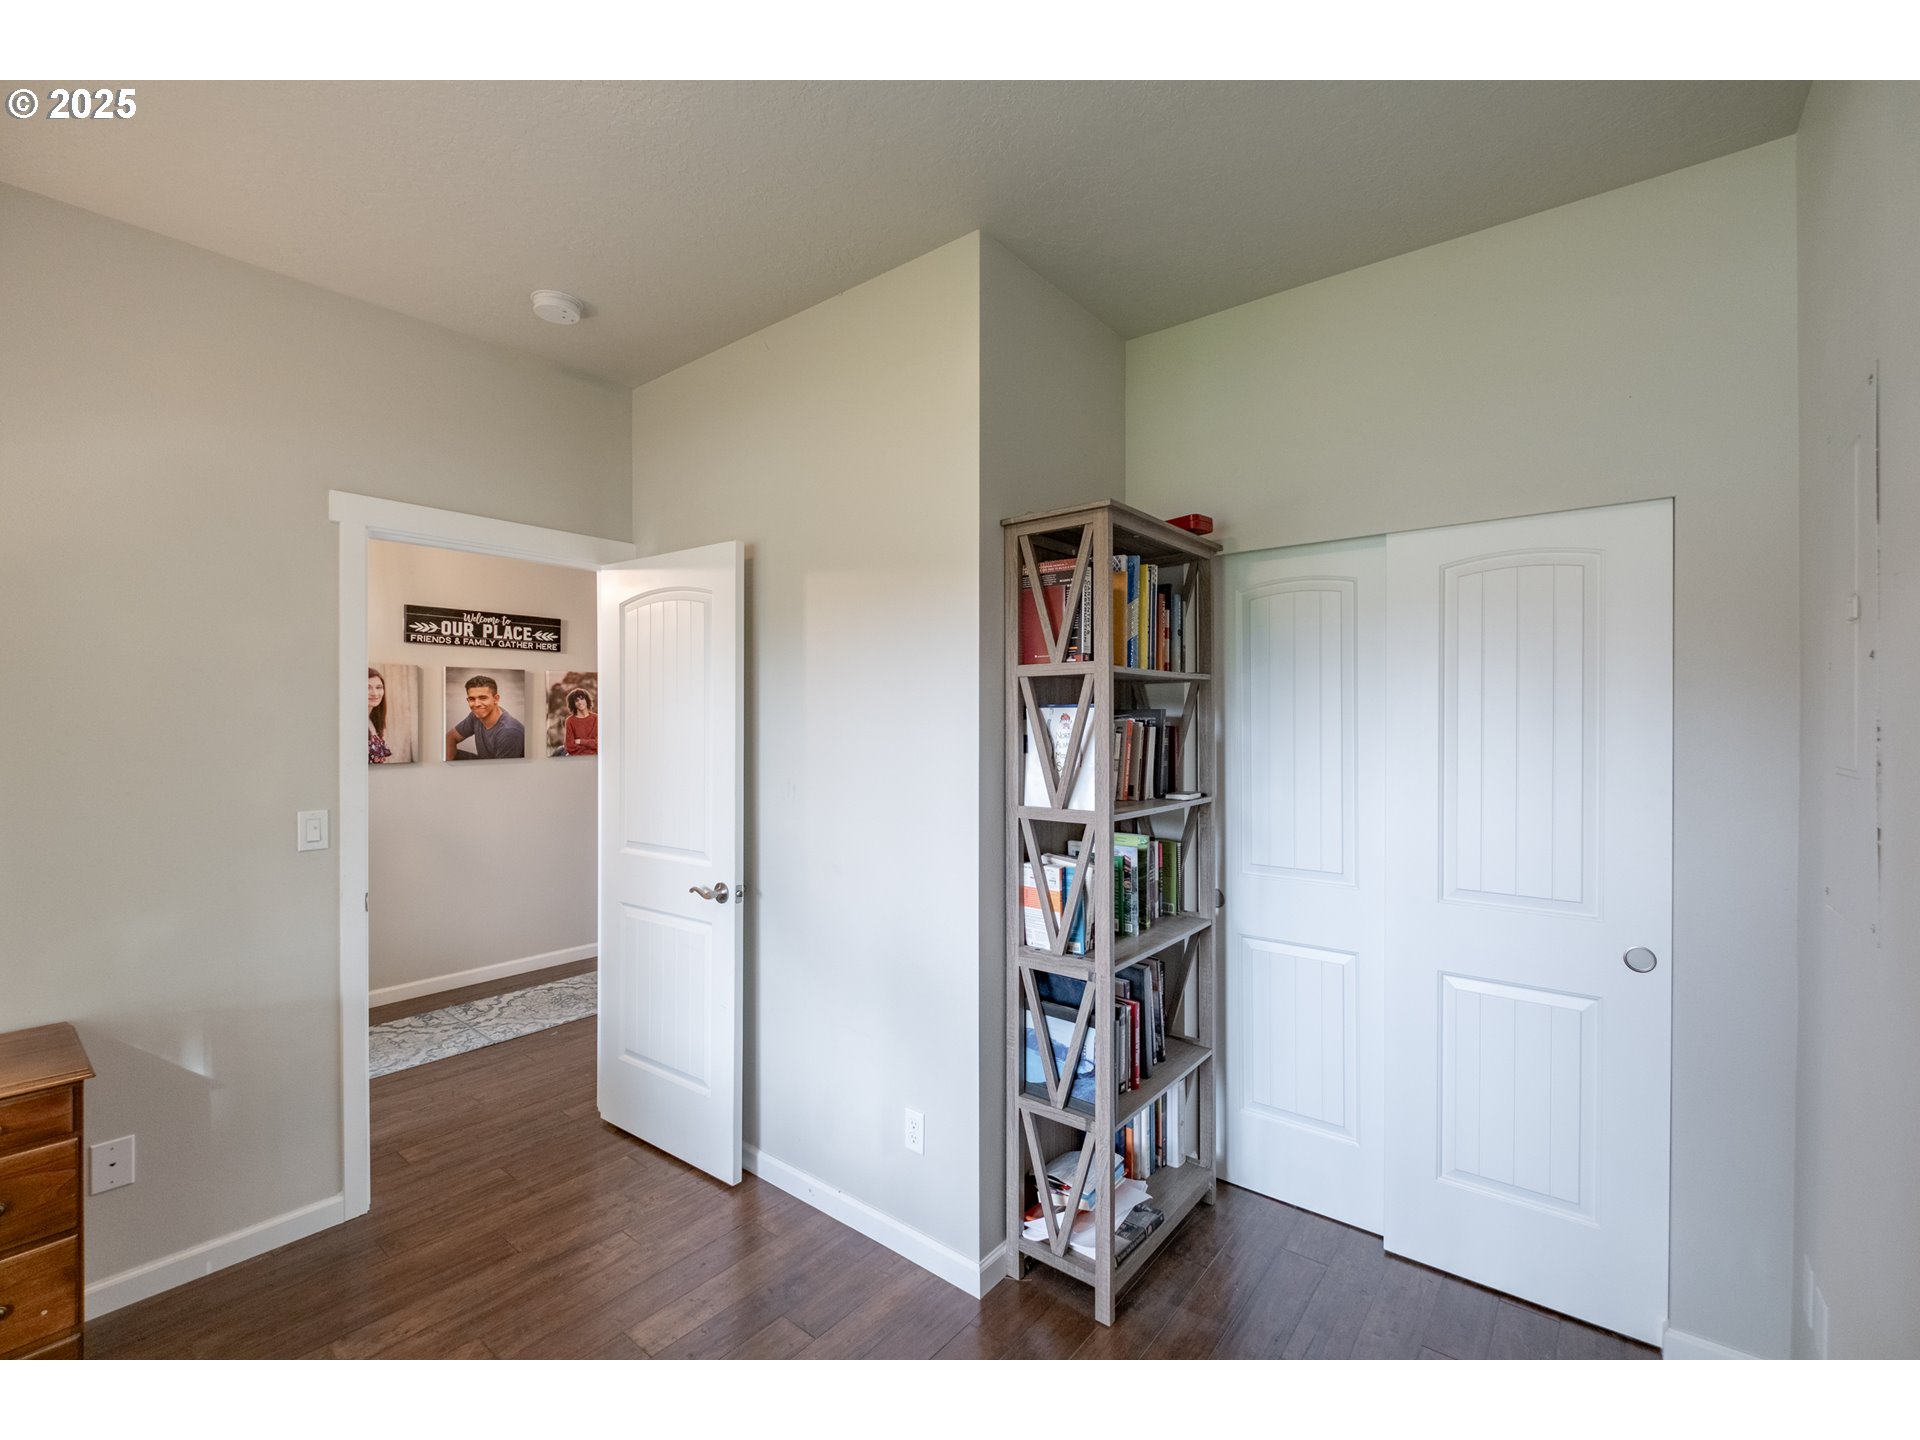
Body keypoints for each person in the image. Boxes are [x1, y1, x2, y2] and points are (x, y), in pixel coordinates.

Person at [446, 674, 525, 760]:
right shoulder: (475, 716)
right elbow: (450, 737)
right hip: (485, 764)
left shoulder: (509, 732)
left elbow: (503, 771)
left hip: (500, 770)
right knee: (443, 750)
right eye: (472, 699)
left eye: (483, 698)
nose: (477, 704)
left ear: (496, 699)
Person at [563, 688, 598, 756]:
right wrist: (590, 746)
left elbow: (600, 744)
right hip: (577, 759)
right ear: (573, 704)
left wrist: (581, 741)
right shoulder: (570, 721)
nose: (580, 702)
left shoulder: (597, 718)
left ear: (587, 700)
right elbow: (569, 747)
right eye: (576, 701)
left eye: (582, 699)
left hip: (595, 758)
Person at [368, 668, 392, 764]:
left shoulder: (373, 720)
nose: (375, 693)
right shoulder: (353, 724)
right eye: (367, 687)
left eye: (378, 687)